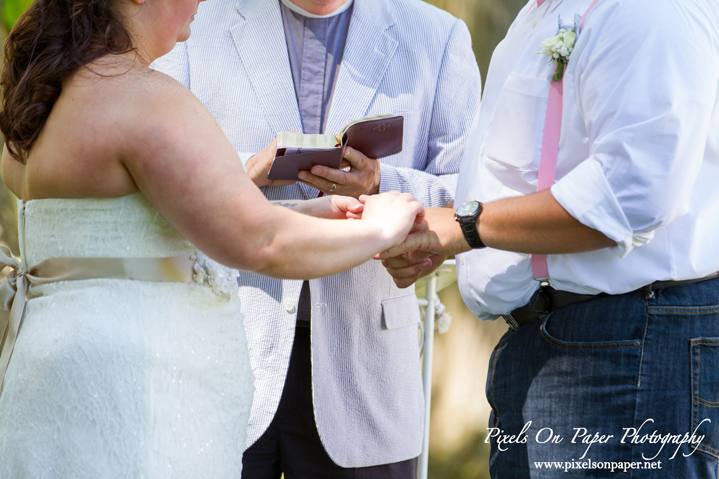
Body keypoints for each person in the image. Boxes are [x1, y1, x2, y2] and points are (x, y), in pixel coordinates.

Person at [0, 0, 426, 476]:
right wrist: (379, 229)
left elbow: (134, 228)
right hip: (133, 396)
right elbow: (261, 242)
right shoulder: (144, 99)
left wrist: (309, 212)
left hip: (47, 380)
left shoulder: (41, 96)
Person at [379, 0, 719, 477]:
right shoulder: (542, 13)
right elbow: (521, 179)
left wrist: (464, 229)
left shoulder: (647, 8)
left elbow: (633, 192)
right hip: (567, 348)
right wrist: (414, 214)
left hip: (626, 350)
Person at [153, 0, 480, 476]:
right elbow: (155, 167)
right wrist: (244, 172)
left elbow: (471, 197)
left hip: (368, 370)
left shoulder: (438, 36)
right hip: (222, 362)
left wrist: (381, 184)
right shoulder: (190, 22)